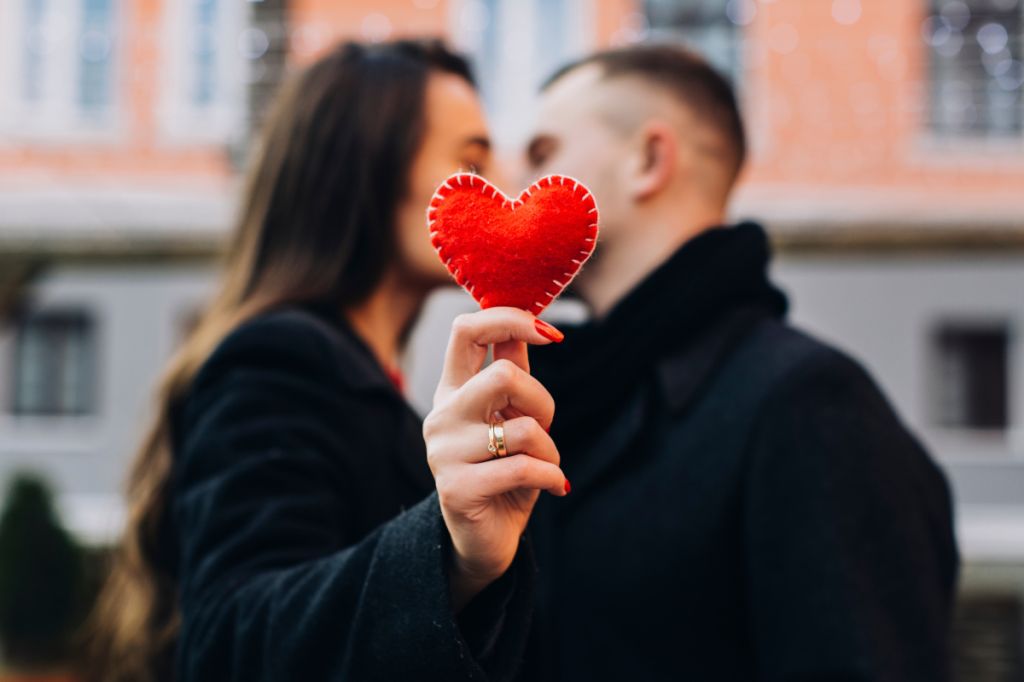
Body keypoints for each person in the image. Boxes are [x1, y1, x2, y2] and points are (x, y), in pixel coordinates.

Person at [83, 39, 569, 682]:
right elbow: (230, 641)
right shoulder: (275, 362)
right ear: (366, 168)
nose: (499, 190)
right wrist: (449, 552)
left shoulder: (364, 379)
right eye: (470, 160)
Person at [521, 44, 959, 681]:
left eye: (543, 154)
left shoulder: (808, 405)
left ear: (649, 159)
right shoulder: (573, 397)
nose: (517, 188)